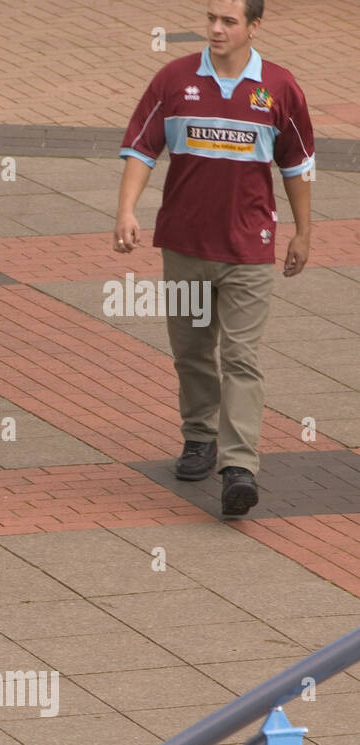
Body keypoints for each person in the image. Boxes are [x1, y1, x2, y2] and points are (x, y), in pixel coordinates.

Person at [114, 0, 313, 517]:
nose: (216, 29)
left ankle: (239, 466)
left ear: (254, 26)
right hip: (184, 246)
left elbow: (297, 165)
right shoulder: (174, 80)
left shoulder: (279, 89)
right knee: (193, 351)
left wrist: (304, 233)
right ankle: (199, 437)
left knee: (242, 357)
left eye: (229, 20)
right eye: (211, 19)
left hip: (249, 251)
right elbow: (141, 149)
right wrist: (127, 210)